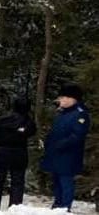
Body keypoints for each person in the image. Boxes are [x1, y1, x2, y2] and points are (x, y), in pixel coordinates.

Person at [41, 83, 91, 211]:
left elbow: (77, 135)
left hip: (69, 155)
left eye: (63, 97)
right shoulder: (62, 113)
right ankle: (57, 204)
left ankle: (65, 207)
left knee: (66, 182)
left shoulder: (80, 114)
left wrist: (61, 144)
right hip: (56, 154)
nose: (60, 100)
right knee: (56, 181)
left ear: (71, 99)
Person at [0, 96, 37, 209]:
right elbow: (32, 132)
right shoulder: (28, 122)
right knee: (17, 182)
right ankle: (15, 207)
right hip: (19, 153)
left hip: (2, 151)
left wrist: (0, 142)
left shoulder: (2, 120)